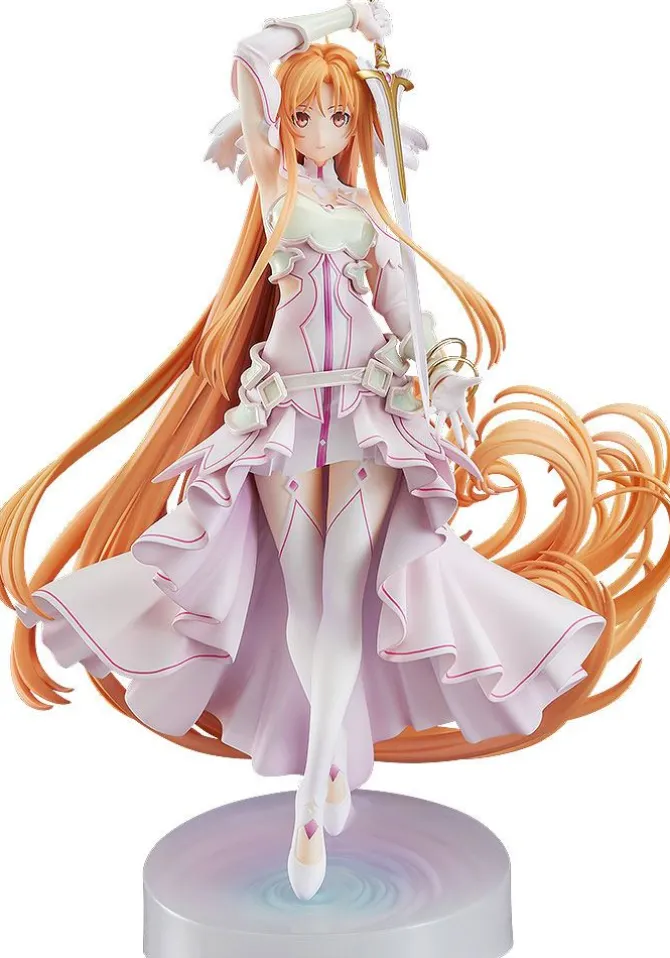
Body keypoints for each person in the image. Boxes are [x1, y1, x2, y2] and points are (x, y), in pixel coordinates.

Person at [2, 2, 667, 900]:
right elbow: (249, 54)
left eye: (340, 116)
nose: (321, 130)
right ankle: (326, 772)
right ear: (286, 121)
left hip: (366, 420)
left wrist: (443, 376)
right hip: (285, 422)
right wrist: (344, 16)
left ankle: (314, 795)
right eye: (306, 113)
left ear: (359, 126)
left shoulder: (369, 214)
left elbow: (408, 317)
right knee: (310, 598)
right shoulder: (277, 190)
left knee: (346, 591)